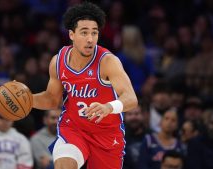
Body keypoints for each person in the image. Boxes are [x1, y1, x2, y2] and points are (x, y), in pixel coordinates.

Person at [31, 2, 138, 169]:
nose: (90, 39)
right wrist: (26, 100)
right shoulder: (58, 61)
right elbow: (52, 100)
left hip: (107, 135)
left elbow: (131, 98)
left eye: (94, 33)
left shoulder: (108, 61)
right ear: (71, 34)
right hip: (74, 129)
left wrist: (108, 107)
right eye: (84, 32)